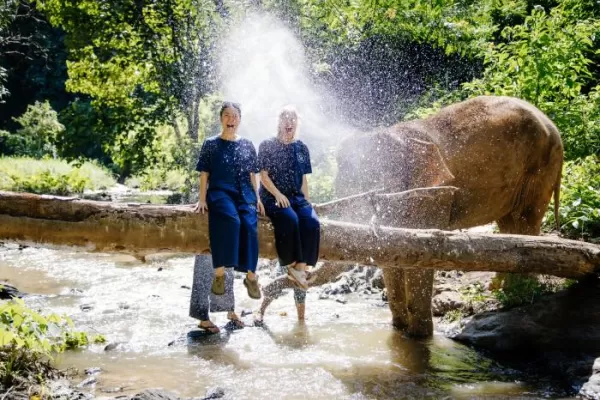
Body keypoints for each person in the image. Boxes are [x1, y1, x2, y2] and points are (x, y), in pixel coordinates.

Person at [193, 101, 264, 332]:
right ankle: (208, 312)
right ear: (220, 118)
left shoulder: (246, 144)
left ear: (240, 119)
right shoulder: (211, 144)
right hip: (220, 196)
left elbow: (253, 175)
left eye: (235, 116)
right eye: (226, 115)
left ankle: (247, 282)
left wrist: (258, 198)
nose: (230, 119)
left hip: (243, 196)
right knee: (230, 224)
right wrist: (202, 198)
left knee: (248, 227)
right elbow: (204, 173)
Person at [255, 105, 320, 322]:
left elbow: (303, 179)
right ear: (279, 122)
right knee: (290, 219)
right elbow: (262, 176)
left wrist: (308, 203)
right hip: (273, 197)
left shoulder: (301, 148)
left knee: (311, 222)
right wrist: (277, 194)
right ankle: (295, 269)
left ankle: (300, 269)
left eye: (292, 118)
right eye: (285, 117)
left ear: (297, 123)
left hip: (295, 197)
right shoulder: (267, 145)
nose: (288, 121)